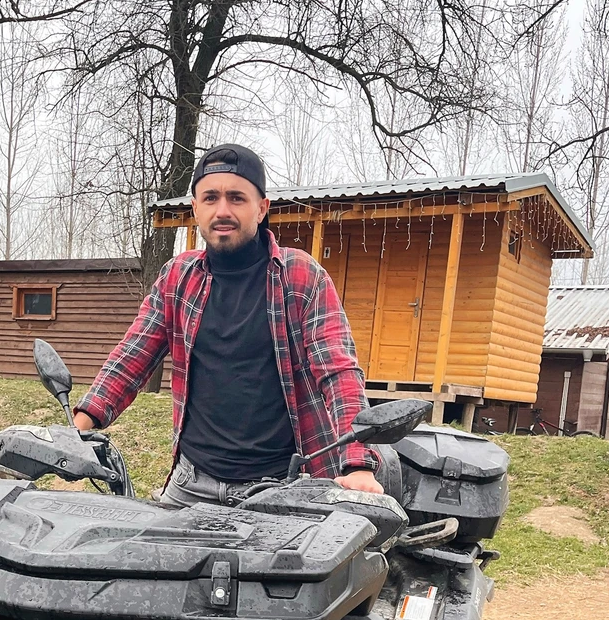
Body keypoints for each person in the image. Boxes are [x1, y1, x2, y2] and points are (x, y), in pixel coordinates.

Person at [73, 143, 382, 506]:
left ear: (262, 207)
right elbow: (132, 356)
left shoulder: (302, 276)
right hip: (190, 484)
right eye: (210, 198)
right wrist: (78, 424)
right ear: (195, 208)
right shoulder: (178, 277)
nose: (222, 211)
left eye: (237, 198)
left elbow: (339, 371)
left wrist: (358, 463)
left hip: (283, 487)